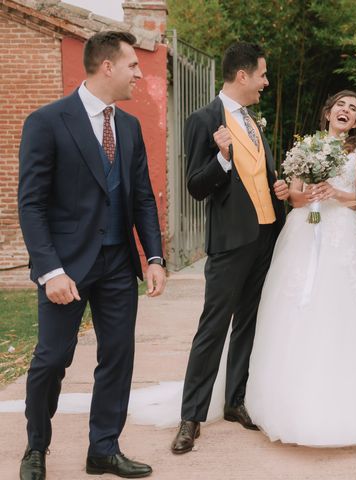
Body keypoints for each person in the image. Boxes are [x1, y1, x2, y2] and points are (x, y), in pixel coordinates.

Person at [17, 31, 167, 480]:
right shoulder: (47, 122)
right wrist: (49, 270)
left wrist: (154, 257)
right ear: (107, 66)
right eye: (133, 66)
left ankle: (103, 448)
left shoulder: (128, 126)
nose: (139, 74)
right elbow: (32, 203)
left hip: (118, 264)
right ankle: (36, 447)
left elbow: (142, 197)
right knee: (51, 359)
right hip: (66, 266)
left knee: (118, 356)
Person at [245, 90, 356, 451]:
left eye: (353, 109)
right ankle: (289, 403)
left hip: (344, 235)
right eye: (341, 106)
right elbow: (295, 196)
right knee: (296, 311)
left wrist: (334, 193)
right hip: (304, 231)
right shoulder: (305, 147)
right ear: (328, 112)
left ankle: (351, 405)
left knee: (346, 313)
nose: (346, 111)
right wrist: (301, 193)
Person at [171, 42, 289, 454]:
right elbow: (195, 186)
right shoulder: (203, 119)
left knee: (248, 324)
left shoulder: (252, 120)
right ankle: (191, 417)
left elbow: (259, 172)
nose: (265, 82)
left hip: (265, 236)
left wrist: (279, 190)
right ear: (242, 76)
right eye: (262, 74)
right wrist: (221, 158)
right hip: (229, 242)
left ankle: (235, 400)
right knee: (213, 327)